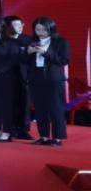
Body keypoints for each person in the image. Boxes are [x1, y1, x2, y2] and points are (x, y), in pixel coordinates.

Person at [24, 16, 69, 146]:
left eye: (44, 29)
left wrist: (45, 52)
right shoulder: (32, 41)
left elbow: (63, 60)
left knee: (55, 109)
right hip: (35, 78)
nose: (40, 32)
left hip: (53, 79)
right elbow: (23, 61)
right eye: (37, 29)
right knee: (40, 109)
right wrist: (28, 52)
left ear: (51, 28)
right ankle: (43, 136)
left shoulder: (61, 42)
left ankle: (57, 138)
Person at [6, 15, 34, 139]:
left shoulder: (28, 40)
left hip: (24, 77)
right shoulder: (3, 41)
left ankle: (23, 129)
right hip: (7, 77)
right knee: (9, 104)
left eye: (21, 24)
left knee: (24, 104)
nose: (19, 27)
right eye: (15, 25)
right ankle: (10, 129)